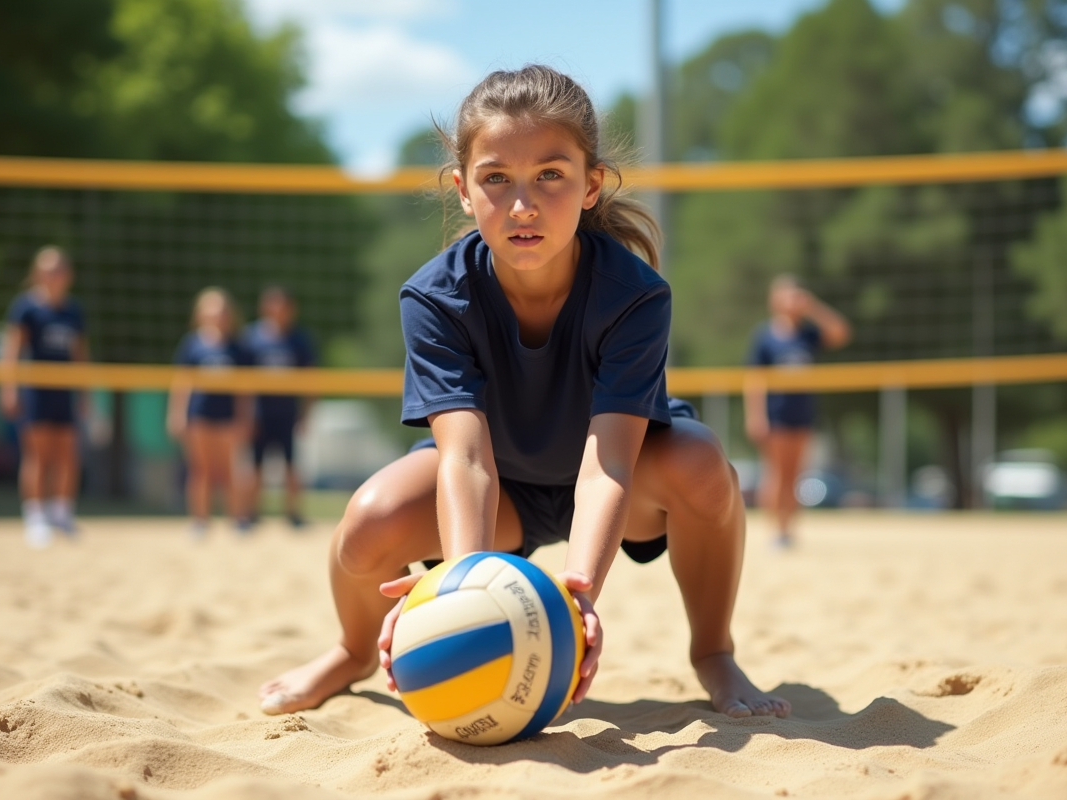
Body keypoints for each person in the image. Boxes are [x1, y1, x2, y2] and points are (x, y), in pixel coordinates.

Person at [259, 65, 791, 721]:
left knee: (703, 465)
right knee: (369, 517)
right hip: (499, 485)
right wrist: (462, 595)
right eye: (496, 179)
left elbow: (609, 465)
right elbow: (467, 459)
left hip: (620, 487)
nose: (523, 205)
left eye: (550, 175)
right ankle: (350, 650)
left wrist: (580, 600)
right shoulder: (436, 296)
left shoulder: (635, 294)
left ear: (591, 183)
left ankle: (714, 652)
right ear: (461, 188)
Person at [744, 276, 851, 549]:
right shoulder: (765, 335)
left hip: (802, 412)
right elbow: (754, 379)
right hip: (775, 413)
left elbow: (841, 332)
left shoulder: (807, 334)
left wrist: (813, 307)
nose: (793, 300)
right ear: (775, 301)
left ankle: (788, 531)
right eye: (788, 295)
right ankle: (774, 531)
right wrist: (756, 416)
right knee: (776, 473)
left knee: (795, 474)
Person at [0, 246, 89, 548]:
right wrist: (8, 388)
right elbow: (12, 351)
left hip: (64, 392)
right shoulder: (26, 307)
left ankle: (61, 513)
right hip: (36, 391)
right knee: (38, 455)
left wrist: (85, 393)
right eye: (49, 270)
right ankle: (35, 517)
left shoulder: (73, 310)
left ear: (69, 276)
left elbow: (80, 355)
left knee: (67, 456)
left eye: (60, 270)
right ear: (38, 274)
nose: (55, 276)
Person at [167, 287, 252, 538]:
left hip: (227, 416)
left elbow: (244, 389)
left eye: (223, 310)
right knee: (200, 469)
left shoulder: (237, 346)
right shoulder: (192, 343)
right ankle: (200, 521)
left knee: (230, 470)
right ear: (201, 313)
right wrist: (177, 414)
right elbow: (182, 382)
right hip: (199, 415)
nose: (218, 315)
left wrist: (243, 418)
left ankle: (238, 521)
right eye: (213, 309)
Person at [242, 286, 317, 528]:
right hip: (259, 413)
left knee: (291, 466)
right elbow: (241, 381)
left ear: (290, 310)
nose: (278, 310)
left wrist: (306, 415)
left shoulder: (299, 339)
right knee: (254, 466)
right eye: (273, 305)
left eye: (282, 305)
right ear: (264, 308)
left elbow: (311, 381)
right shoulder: (251, 338)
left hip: (287, 414)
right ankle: (250, 515)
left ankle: (293, 514)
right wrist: (244, 414)